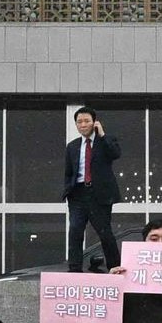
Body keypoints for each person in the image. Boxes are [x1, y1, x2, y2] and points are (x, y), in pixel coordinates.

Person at [61, 105, 122, 272]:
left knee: (105, 233)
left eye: (86, 121)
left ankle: (115, 267)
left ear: (94, 122)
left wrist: (102, 134)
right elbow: (68, 172)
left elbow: (115, 153)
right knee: (75, 231)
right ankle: (74, 269)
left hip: (99, 194)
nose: (83, 124)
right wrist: (68, 190)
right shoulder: (72, 146)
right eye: (79, 122)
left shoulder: (105, 141)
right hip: (78, 194)